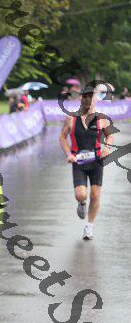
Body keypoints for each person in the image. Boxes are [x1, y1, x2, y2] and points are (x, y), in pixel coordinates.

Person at [59, 84, 113, 240]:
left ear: (96, 99)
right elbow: (62, 137)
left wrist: (107, 148)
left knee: (95, 195)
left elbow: (109, 136)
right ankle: (82, 203)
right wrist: (69, 154)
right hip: (78, 162)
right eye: (85, 96)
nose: (88, 99)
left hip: (96, 162)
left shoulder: (101, 118)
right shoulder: (71, 118)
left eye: (91, 96)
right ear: (81, 98)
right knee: (81, 194)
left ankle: (89, 227)